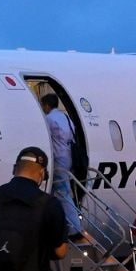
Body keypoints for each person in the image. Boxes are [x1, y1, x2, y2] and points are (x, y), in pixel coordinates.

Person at [41, 94, 83, 238]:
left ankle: (74, 227)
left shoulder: (49, 119)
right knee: (59, 191)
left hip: (58, 158)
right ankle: (57, 223)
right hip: (68, 156)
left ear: (46, 105)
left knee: (62, 192)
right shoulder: (66, 117)